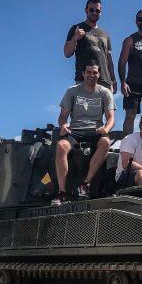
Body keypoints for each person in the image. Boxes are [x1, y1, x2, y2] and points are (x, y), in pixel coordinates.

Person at [53, 62, 116, 205]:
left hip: (95, 131)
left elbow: (111, 118)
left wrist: (106, 130)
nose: (91, 75)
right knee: (61, 146)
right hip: (75, 131)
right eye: (89, 72)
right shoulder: (72, 91)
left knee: (106, 142)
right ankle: (62, 192)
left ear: (99, 75)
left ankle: (85, 184)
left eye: (95, 73)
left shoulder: (104, 92)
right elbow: (63, 116)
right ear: (83, 74)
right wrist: (63, 126)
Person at [63, 0, 117, 93]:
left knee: (108, 109)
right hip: (84, 80)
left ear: (100, 12)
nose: (94, 12)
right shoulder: (76, 28)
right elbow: (67, 53)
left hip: (105, 82)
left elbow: (109, 60)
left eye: (97, 10)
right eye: (91, 10)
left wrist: (113, 80)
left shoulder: (105, 34)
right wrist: (75, 38)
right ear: (86, 10)